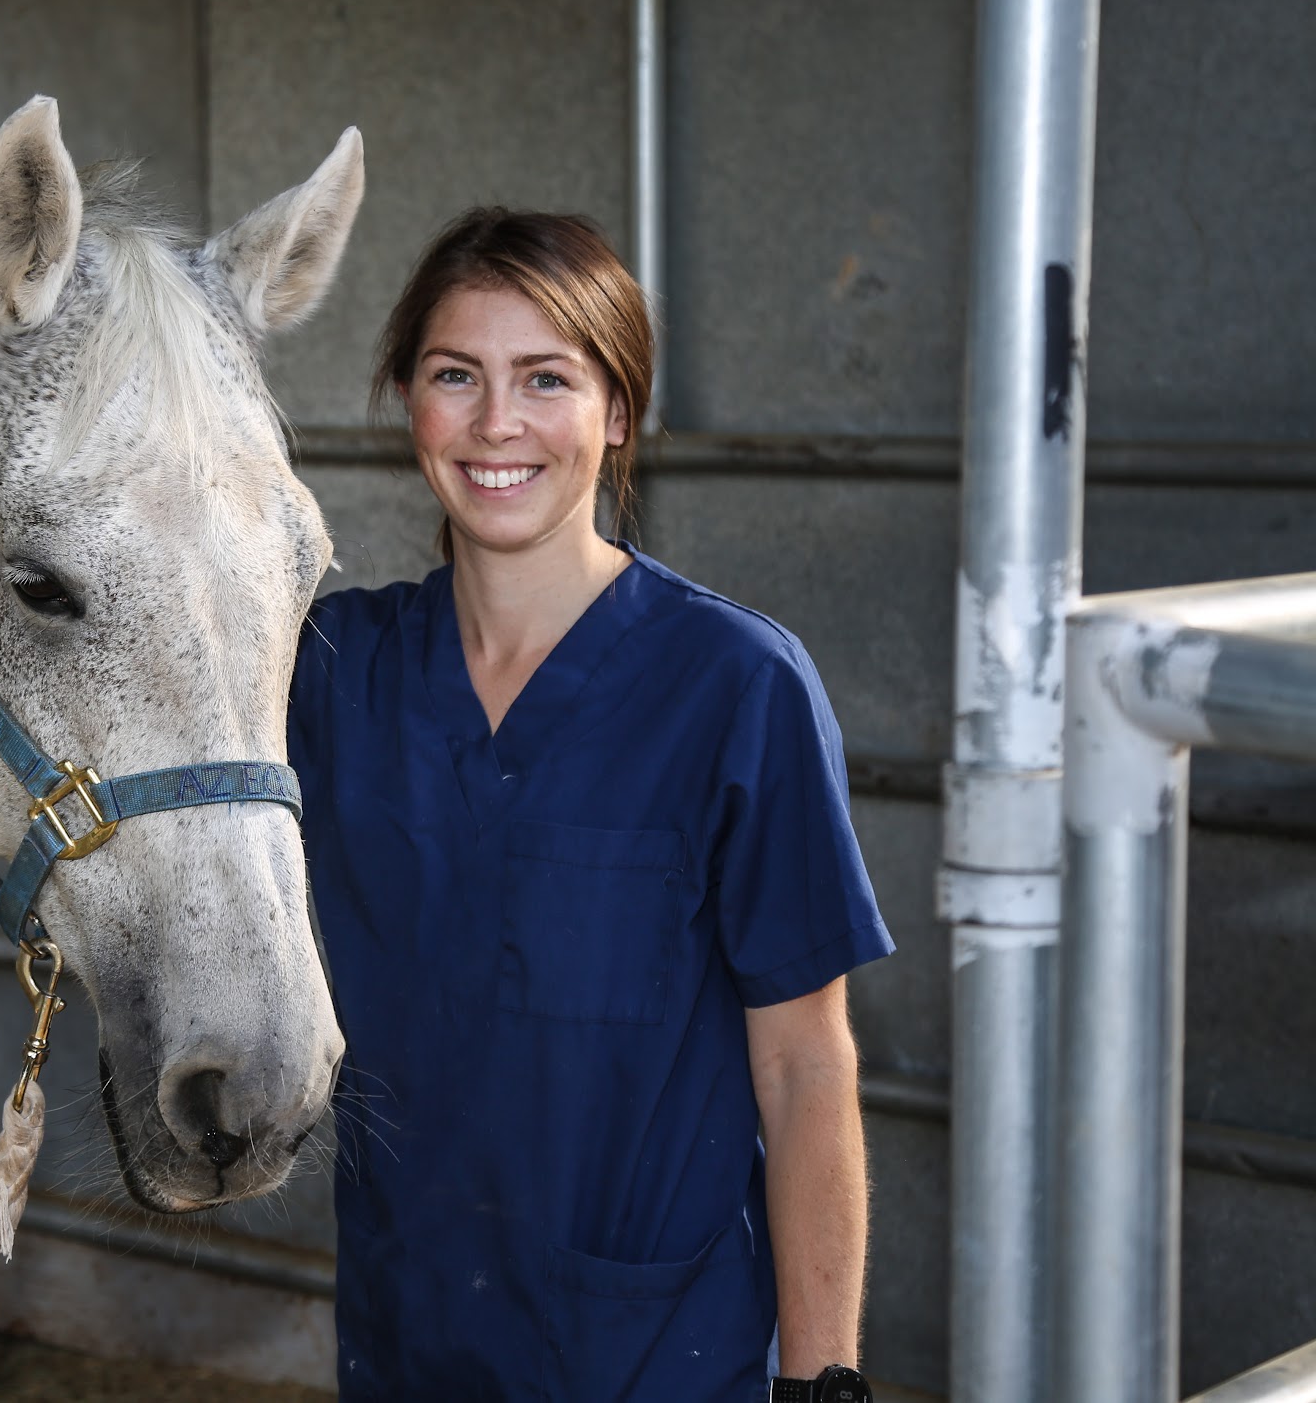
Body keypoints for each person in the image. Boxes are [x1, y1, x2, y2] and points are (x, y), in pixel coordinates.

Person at [287, 208, 894, 1403]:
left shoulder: (734, 685)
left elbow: (803, 1069)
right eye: (454, 374)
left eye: (545, 378)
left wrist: (822, 1383)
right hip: (407, 1344)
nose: (496, 422)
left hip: (659, 1358)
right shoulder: (326, 673)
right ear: (406, 399)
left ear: (617, 414)